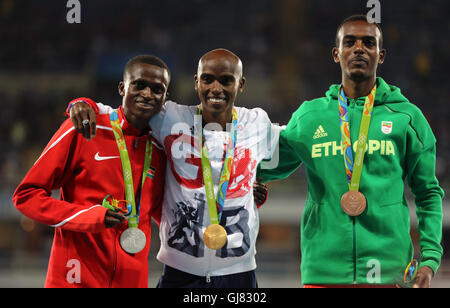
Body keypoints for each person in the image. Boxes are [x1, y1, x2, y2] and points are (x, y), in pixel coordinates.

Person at [257, 15, 444, 288]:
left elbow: (428, 193)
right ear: (336, 53)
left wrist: (429, 260)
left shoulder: (407, 118)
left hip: (389, 273)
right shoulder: (310, 116)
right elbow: (261, 166)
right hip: (323, 274)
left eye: (369, 43)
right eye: (350, 42)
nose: (359, 48)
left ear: (381, 55)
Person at [67, 48, 277, 288]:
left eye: (226, 80)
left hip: (240, 273)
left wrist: (252, 188)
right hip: (180, 271)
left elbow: (276, 160)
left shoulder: (258, 122)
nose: (216, 88)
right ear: (197, 82)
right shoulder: (170, 118)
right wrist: (81, 103)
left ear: (241, 84)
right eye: (208, 79)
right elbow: (119, 114)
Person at [12, 55, 169, 287]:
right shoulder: (84, 128)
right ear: (122, 87)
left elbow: (162, 211)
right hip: (74, 279)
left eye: (157, 89)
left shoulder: (161, 148)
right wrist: (89, 217)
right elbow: (25, 196)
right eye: (139, 85)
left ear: (165, 98)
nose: (147, 94)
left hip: (132, 280)